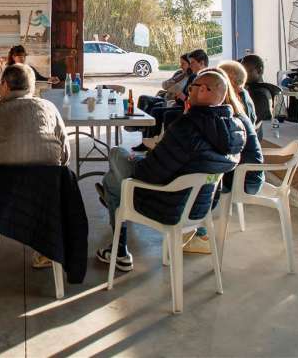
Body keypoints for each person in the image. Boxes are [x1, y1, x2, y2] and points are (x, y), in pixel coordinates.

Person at [94, 70, 246, 272]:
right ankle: (115, 220)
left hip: (168, 205)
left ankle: (119, 249)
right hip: (201, 206)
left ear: (202, 89)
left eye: (191, 87)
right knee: (116, 178)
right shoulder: (235, 129)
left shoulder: (187, 127)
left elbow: (148, 174)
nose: (188, 91)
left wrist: (138, 160)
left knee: (115, 167)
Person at [0, 63, 70, 271]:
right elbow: (65, 156)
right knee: (48, 182)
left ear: (4, 85)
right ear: (31, 87)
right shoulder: (49, 108)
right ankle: (46, 250)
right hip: (43, 199)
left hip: (1, 200)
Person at [181, 65, 264, 254]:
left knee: (196, 178)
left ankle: (198, 234)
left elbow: (211, 154)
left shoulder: (225, 117)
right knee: (194, 173)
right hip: (244, 172)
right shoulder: (230, 110)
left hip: (245, 178)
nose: (191, 92)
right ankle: (191, 229)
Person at [140, 49, 209, 144]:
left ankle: (165, 144)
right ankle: (150, 141)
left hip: (192, 109)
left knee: (166, 113)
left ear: (201, 63)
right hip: (181, 104)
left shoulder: (205, 78)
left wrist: (184, 98)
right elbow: (167, 86)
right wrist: (180, 97)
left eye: (192, 62)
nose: (190, 65)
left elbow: (196, 100)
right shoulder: (191, 76)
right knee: (156, 109)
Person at [240, 54, 275, 127]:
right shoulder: (254, 89)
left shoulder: (260, 93)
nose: (243, 75)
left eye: (247, 71)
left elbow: (252, 122)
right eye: (242, 71)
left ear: (259, 70)